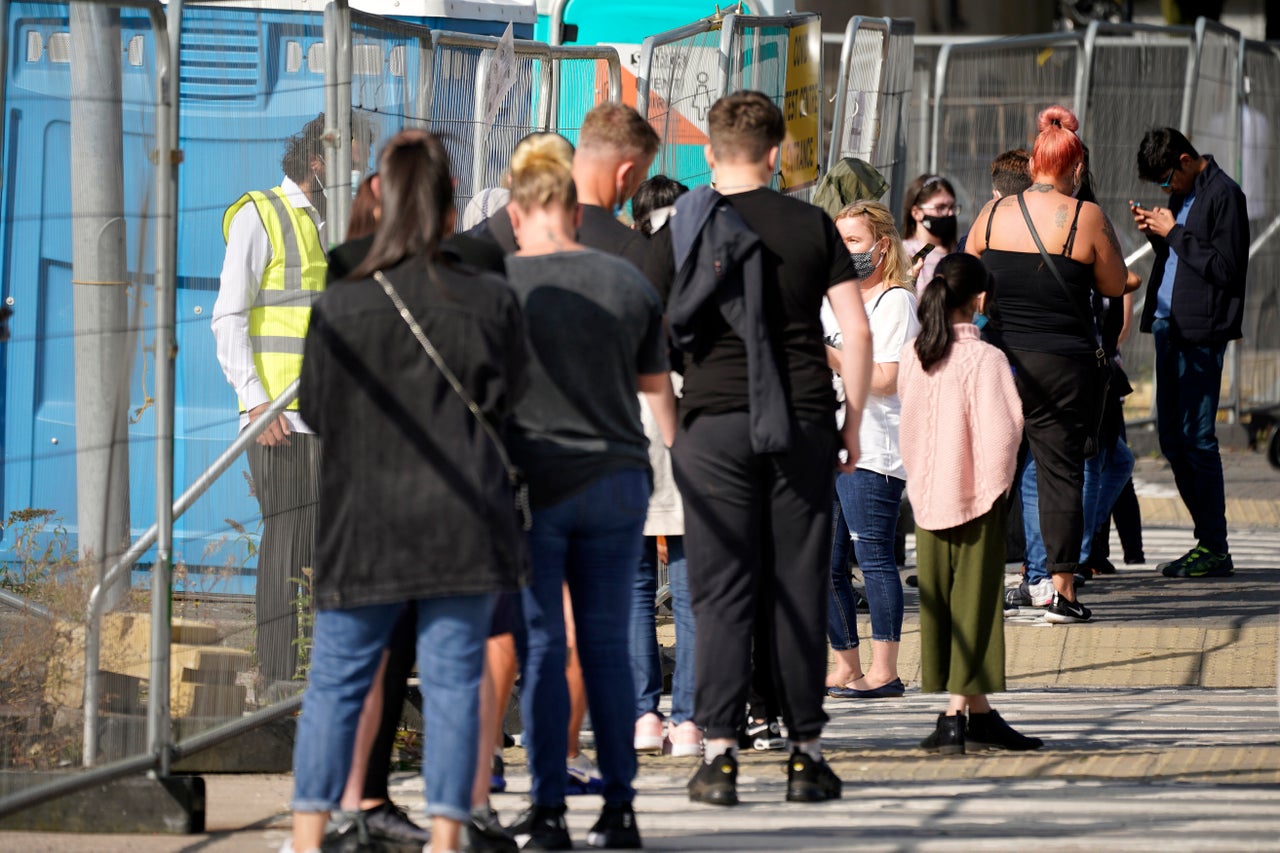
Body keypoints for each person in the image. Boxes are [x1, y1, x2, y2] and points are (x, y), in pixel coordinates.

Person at [283, 129, 528, 853]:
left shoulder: (343, 304)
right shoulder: (489, 296)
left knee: (335, 683)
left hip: (364, 525)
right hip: (463, 521)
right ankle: (448, 835)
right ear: (451, 203)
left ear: (381, 201)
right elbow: (515, 399)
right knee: (453, 684)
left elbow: (316, 412)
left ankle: (306, 835)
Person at [668, 90, 871, 807]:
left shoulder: (686, 226)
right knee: (797, 582)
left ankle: (719, 754)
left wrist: (676, 431)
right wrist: (852, 427)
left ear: (708, 153)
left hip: (713, 418)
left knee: (721, 590)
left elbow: (662, 335)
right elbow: (857, 331)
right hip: (804, 419)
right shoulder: (812, 224)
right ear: (778, 151)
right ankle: (806, 753)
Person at [500, 132, 676, 850]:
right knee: (605, 644)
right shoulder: (628, 284)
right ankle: (620, 807)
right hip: (616, 482)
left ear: (517, 212)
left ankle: (547, 808)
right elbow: (660, 399)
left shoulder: (501, 289)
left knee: (544, 647)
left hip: (534, 485)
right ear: (573, 209)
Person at [965, 105, 1129, 624]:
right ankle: (1060, 590)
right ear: (1075, 169)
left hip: (1001, 362)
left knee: (992, 469)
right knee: (1059, 473)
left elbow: (969, 284)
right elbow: (1112, 283)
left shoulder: (990, 216)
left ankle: (976, 579)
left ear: (1034, 163)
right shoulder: (1085, 217)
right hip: (1062, 365)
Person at [213, 113, 354, 692]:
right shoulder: (261, 214)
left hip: (328, 419)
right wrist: (254, 404)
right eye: (351, 157)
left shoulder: (332, 223)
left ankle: (321, 671)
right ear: (318, 161)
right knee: (286, 543)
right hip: (280, 419)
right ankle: (277, 673)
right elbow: (229, 316)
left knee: (327, 546)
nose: (359, 170)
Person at [898, 253, 1042, 755]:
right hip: (977, 501)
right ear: (980, 300)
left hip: (927, 499)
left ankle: (978, 715)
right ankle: (955, 716)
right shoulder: (987, 360)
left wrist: (922, 484)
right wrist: (995, 489)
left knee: (944, 608)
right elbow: (1004, 435)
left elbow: (909, 430)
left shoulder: (917, 354)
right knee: (976, 608)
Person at [1132, 127, 1248, 578]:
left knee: (1197, 438)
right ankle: (1208, 540)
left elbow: (1225, 268)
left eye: (1166, 180)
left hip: (1201, 333)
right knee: (1170, 439)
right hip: (1169, 326)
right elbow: (1181, 260)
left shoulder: (1225, 195)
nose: (1166, 189)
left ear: (1184, 160)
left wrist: (1175, 232)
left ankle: (1214, 545)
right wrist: (1158, 235)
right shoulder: (1186, 196)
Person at [823, 201, 919, 700]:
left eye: (854, 242)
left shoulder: (896, 302)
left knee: (874, 556)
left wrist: (828, 352)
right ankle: (846, 665)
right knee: (826, 560)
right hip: (829, 443)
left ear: (882, 246)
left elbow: (884, 378)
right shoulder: (832, 301)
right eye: (838, 242)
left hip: (875, 448)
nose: (844, 252)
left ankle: (886, 670)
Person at [626, 175, 702, 759]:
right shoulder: (706, 274)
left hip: (630, 438)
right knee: (691, 585)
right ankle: (690, 719)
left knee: (633, 587)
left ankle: (642, 715)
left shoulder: (625, 276)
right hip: (690, 435)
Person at [901, 174, 961, 286]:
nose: (950, 213)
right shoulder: (904, 253)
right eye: (940, 207)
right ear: (916, 213)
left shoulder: (960, 251)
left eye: (952, 207)